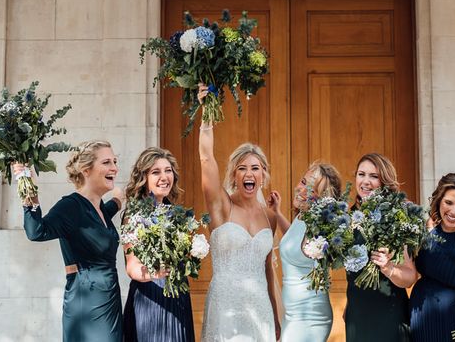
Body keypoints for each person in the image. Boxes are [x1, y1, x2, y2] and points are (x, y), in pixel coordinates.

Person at [13, 140, 123, 342]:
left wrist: (118, 200)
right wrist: (27, 186)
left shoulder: (98, 208)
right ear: (85, 169)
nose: (114, 168)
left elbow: (96, 227)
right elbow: (36, 231)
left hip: (110, 302)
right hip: (87, 303)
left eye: (115, 161)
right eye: (107, 162)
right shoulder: (70, 207)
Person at [198, 86, 280, 341]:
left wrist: (276, 315)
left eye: (255, 168)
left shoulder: (271, 216)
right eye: (242, 168)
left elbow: (268, 268)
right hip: (226, 307)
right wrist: (206, 116)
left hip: (260, 309)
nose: (249, 174)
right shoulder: (222, 206)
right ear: (234, 175)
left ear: (263, 174)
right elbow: (206, 159)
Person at [375, 173, 455, 342]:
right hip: (422, 317)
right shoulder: (428, 226)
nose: (453, 211)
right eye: (448, 202)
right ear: (439, 200)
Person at [121, 146, 196, 341]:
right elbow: (132, 266)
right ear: (144, 178)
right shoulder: (134, 215)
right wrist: (156, 273)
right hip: (150, 298)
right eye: (156, 172)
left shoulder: (178, 214)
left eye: (168, 170)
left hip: (178, 298)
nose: (164, 177)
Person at [269, 161, 342, 342]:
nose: (302, 190)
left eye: (311, 189)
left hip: (309, 316)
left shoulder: (321, 224)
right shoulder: (304, 215)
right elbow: (294, 244)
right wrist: (277, 213)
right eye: (303, 182)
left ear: (322, 198)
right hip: (292, 313)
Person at [344, 153, 410, 342]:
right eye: (361, 174)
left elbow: (410, 276)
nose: (366, 181)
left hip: (388, 314)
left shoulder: (397, 217)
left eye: (374, 176)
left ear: (384, 181)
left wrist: (389, 268)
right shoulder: (348, 217)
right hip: (357, 315)